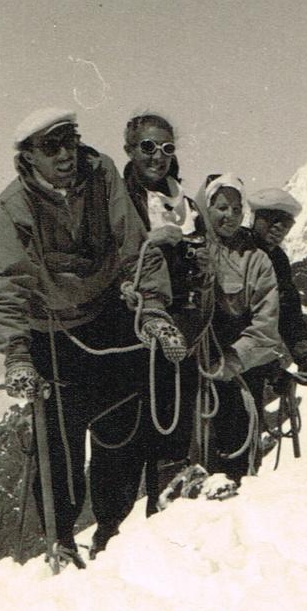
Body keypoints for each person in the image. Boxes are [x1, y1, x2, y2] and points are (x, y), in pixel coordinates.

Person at [0, 107, 185, 566]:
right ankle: (62, 541)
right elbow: (5, 284)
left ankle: (111, 528)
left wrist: (152, 307)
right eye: (51, 147)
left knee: (122, 425)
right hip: (49, 330)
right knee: (60, 439)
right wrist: (16, 354)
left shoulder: (102, 175)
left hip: (104, 314)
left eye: (70, 142)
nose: (66, 154)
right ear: (29, 156)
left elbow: (135, 244)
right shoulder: (14, 206)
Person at [122, 110, 211, 510]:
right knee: (131, 429)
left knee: (174, 416)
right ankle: (111, 531)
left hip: (184, 322)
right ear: (130, 150)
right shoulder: (117, 200)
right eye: (147, 147)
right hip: (131, 325)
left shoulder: (185, 203)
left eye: (166, 147)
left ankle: (166, 504)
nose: (157, 156)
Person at [196, 173, 291, 482]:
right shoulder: (190, 250)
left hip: (240, 371)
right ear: (206, 207)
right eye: (222, 207)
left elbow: (267, 326)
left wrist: (234, 361)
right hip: (195, 371)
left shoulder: (258, 261)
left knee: (237, 460)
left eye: (237, 209)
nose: (230, 215)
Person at [247, 188, 307, 386]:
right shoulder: (237, 251)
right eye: (273, 218)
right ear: (256, 217)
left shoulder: (278, 260)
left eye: (286, 223)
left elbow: (289, 311)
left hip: (254, 360)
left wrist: (306, 356)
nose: (279, 227)